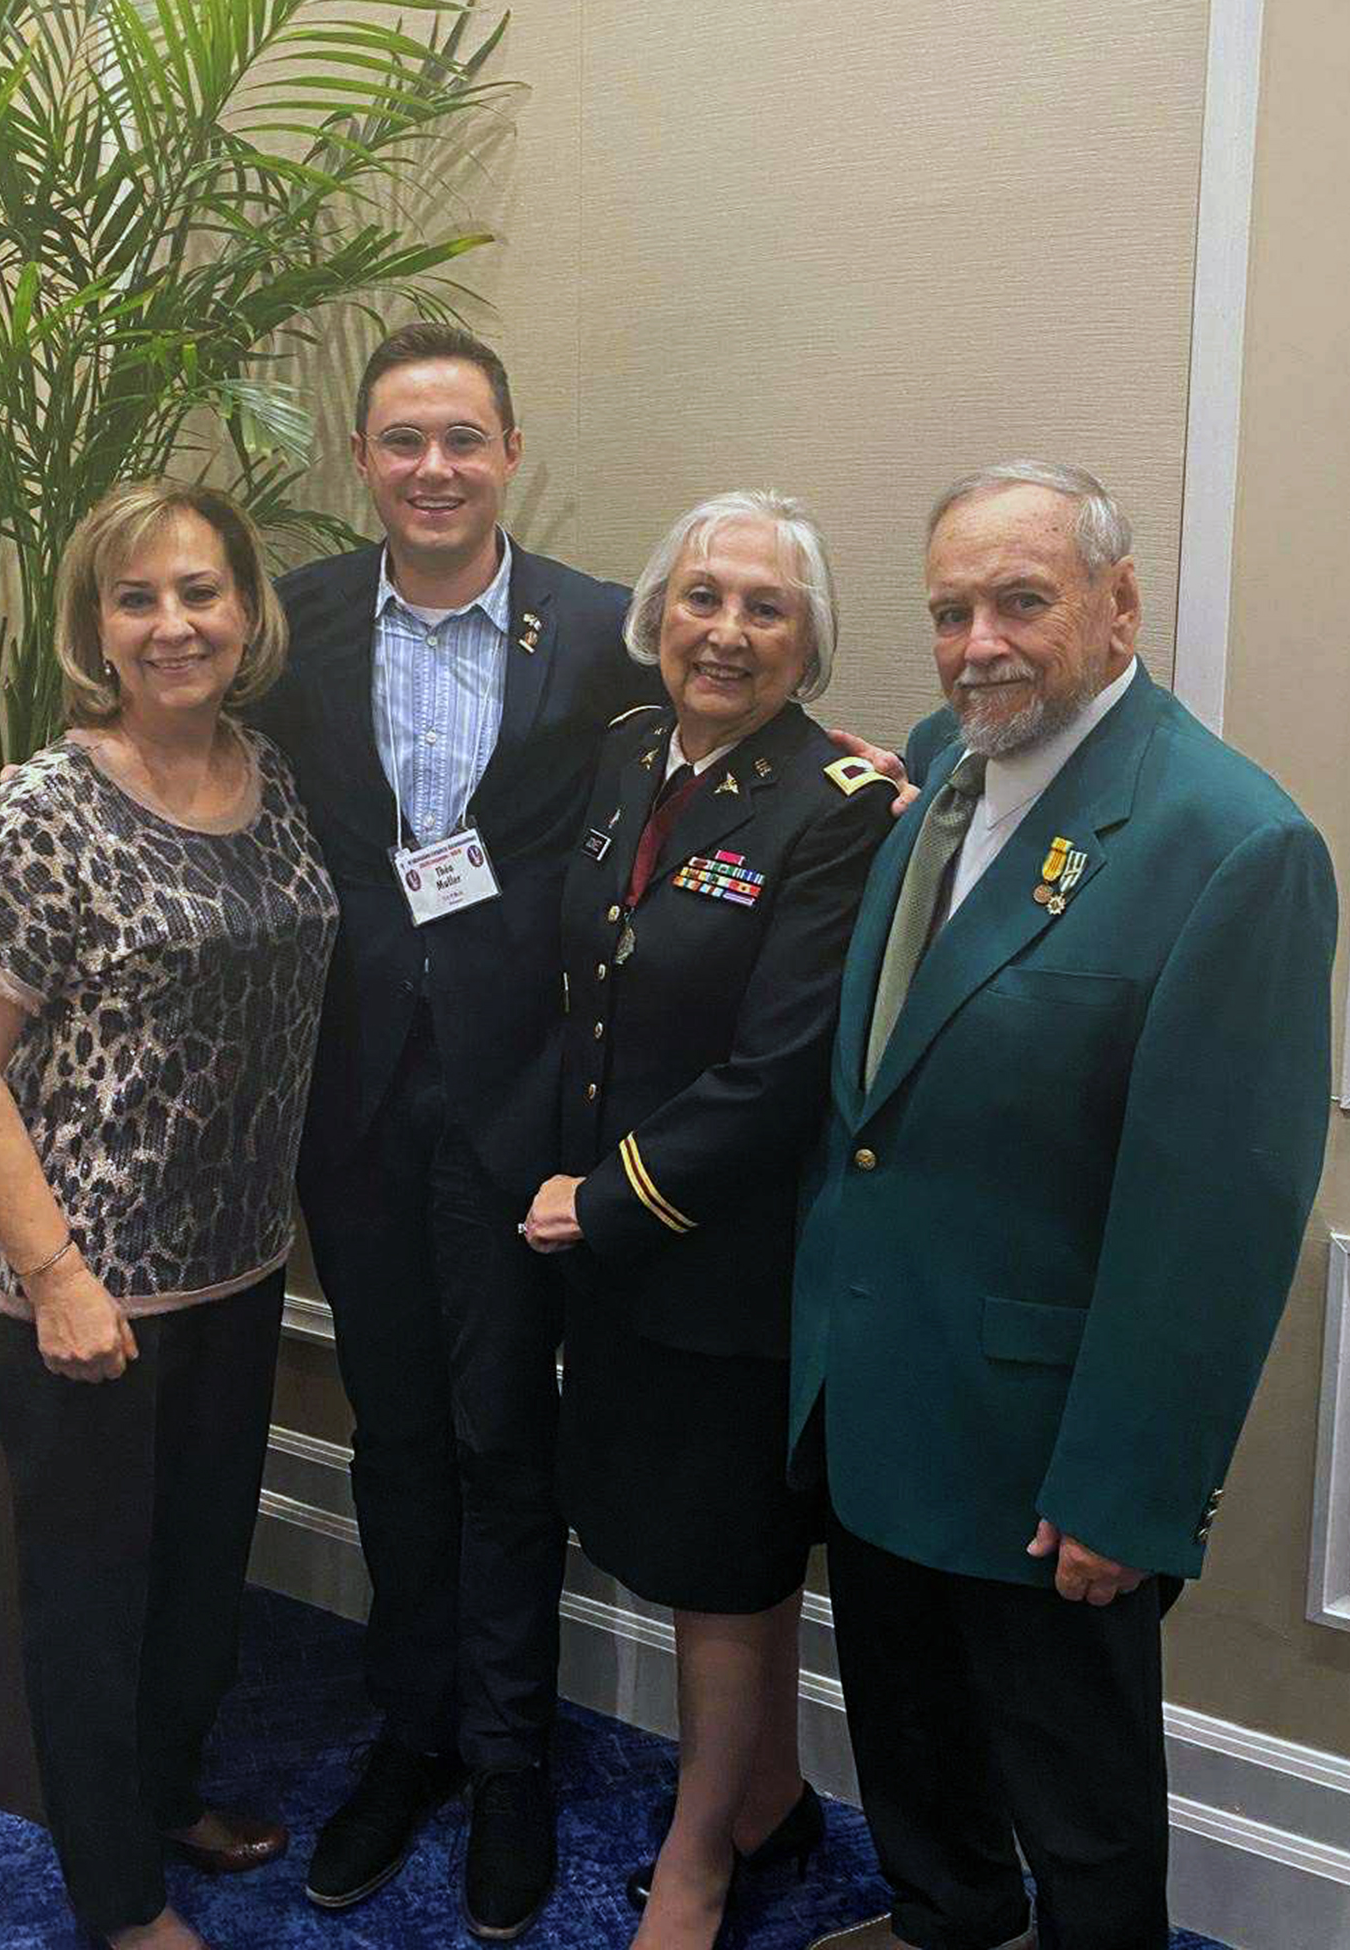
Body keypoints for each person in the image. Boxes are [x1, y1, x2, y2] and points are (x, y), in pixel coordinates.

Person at [790, 461, 1337, 1950]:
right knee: (910, 1736)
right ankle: (945, 1917)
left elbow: (1216, 1225)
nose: (980, 643)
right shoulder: (943, 766)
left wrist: (1129, 1489)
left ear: (1120, 603)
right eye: (953, 609)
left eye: (1021, 601)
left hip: (1050, 1455)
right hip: (881, 1391)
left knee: (1079, 1805)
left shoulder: (1233, 843)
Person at [254, 321, 657, 1938]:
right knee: (397, 1432)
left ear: (509, 454)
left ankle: (510, 1761)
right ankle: (409, 1730)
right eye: (403, 439)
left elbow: (711, 753)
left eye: (463, 440)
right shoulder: (293, 628)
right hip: (350, 1101)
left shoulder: (605, 632)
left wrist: (860, 789)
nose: (433, 466)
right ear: (365, 459)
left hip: (518, 1105)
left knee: (504, 1436)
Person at [0, 483, 340, 1950]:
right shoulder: (46, 809)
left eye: (201, 591)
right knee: (92, 1610)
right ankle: (115, 1897)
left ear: (246, 610)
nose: (174, 623)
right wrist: (56, 1275)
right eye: (138, 598)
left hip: (235, 1271)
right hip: (84, 1286)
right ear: (97, 626)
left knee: (195, 1582)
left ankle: (162, 1794)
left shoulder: (267, 772)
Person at [523, 491, 897, 1950]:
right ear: (656, 616)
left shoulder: (837, 805)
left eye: (764, 607)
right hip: (615, 1252)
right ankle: (771, 1802)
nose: (725, 630)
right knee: (678, 1537)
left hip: (722, 1258)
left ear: (808, 644)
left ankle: (697, 1862)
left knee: (727, 1569)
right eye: (702, 597)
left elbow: (778, 1070)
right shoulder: (624, 755)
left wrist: (607, 1199)